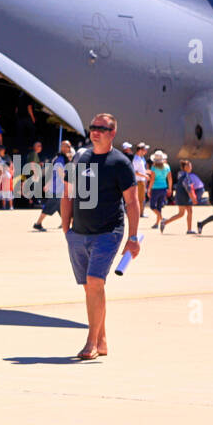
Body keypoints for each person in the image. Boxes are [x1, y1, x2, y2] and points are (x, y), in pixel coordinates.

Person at [61, 113, 140, 360]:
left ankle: (91, 342)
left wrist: (133, 237)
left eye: (102, 128)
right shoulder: (79, 158)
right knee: (90, 288)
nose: (95, 131)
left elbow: (132, 201)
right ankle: (102, 339)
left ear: (112, 133)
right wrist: (66, 229)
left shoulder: (120, 163)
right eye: (93, 127)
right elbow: (67, 195)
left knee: (95, 282)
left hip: (108, 232)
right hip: (79, 233)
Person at [34, 140, 73, 231]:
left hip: (58, 187)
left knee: (61, 206)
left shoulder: (62, 158)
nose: (69, 148)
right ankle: (38, 223)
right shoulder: (60, 159)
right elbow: (60, 172)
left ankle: (66, 223)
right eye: (68, 146)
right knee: (50, 205)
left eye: (70, 146)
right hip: (57, 187)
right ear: (63, 147)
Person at [160, 159, 201, 233]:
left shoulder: (181, 175)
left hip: (180, 196)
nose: (190, 167)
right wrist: (193, 198)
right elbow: (188, 188)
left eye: (190, 166)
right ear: (184, 167)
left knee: (182, 213)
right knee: (186, 212)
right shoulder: (185, 176)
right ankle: (188, 229)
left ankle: (165, 222)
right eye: (188, 166)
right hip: (184, 197)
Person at [147, 150, 171, 221]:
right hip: (164, 188)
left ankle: (161, 218)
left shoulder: (153, 168)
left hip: (155, 188)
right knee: (159, 206)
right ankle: (157, 223)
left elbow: (152, 180)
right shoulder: (167, 166)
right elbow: (170, 178)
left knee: (152, 206)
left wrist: (149, 189)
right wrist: (170, 188)